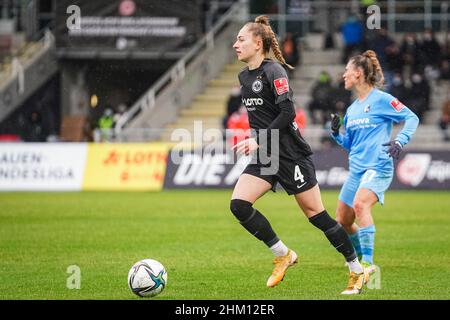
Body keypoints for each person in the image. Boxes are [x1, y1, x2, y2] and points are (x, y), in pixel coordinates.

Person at [230, 15, 367, 295]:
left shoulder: (275, 72)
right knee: (239, 205)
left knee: (317, 216)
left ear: (258, 43)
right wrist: (259, 141)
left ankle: (357, 270)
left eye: (240, 39)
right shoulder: (244, 76)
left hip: (291, 155)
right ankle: (283, 254)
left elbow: (288, 113)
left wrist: (260, 139)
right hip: (267, 154)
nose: (235, 44)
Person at [330, 50, 419, 277]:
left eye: (347, 71)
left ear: (358, 74)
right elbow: (350, 144)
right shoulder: (351, 110)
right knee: (342, 219)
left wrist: (399, 140)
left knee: (360, 205)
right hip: (356, 170)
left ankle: (368, 265)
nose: (344, 75)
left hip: (378, 166)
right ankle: (360, 258)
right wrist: (336, 133)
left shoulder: (381, 99)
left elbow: (412, 117)